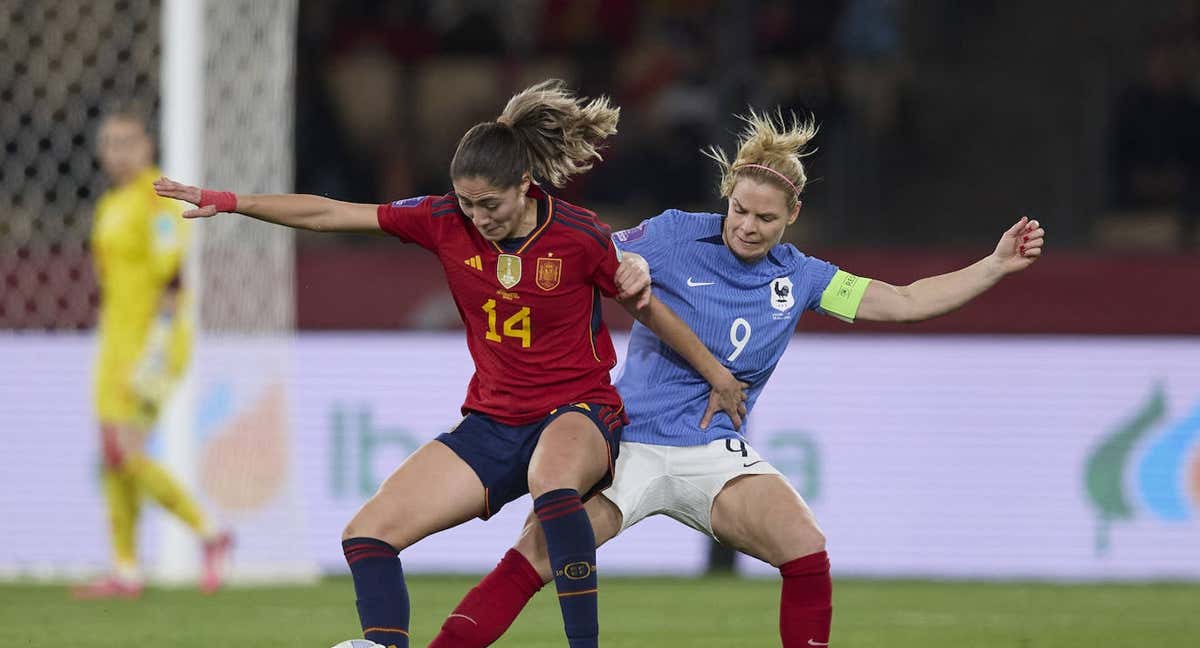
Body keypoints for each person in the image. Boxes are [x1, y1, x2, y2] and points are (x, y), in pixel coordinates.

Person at [153, 80, 745, 648]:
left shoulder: (579, 235)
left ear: (524, 185)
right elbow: (333, 214)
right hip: (491, 424)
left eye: (488, 203)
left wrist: (717, 374)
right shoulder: (443, 221)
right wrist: (231, 202)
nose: (477, 216)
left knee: (551, 481)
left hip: (579, 412)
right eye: (466, 201)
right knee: (367, 533)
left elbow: (648, 309)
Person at [429, 109, 1046, 647]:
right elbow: (578, 260)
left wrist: (993, 267)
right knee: (536, 556)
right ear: (726, 194)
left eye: (766, 219)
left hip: (711, 455)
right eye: (740, 210)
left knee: (804, 546)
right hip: (628, 443)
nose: (747, 227)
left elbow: (906, 301)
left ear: (793, 216)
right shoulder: (672, 234)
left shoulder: (803, 276)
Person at [73, 109, 232, 600]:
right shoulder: (109, 205)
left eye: (126, 140)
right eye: (108, 142)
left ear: (146, 145)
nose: (116, 151)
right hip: (114, 342)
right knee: (112, 455)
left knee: (125, 450)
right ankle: (125, 569)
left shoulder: (155, 198)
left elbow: (173, 271)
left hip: (150, 344)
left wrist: (160, 344)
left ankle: (210, 533)